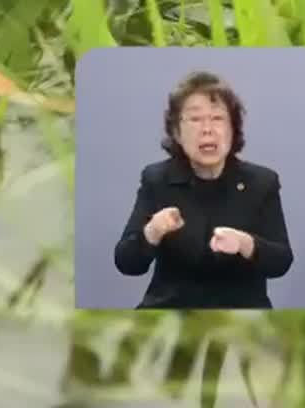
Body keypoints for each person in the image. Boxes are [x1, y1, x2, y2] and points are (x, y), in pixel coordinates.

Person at [112, 70, 294, 308]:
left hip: (241, 317)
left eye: (217, 118)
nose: (207, 129)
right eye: (195, 119)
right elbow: (127, 263)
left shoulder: (261, 182)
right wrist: (153, 232)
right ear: (177, 132)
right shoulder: (157, 180)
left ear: (233, 129)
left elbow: (281, 261)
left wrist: (245, 244)